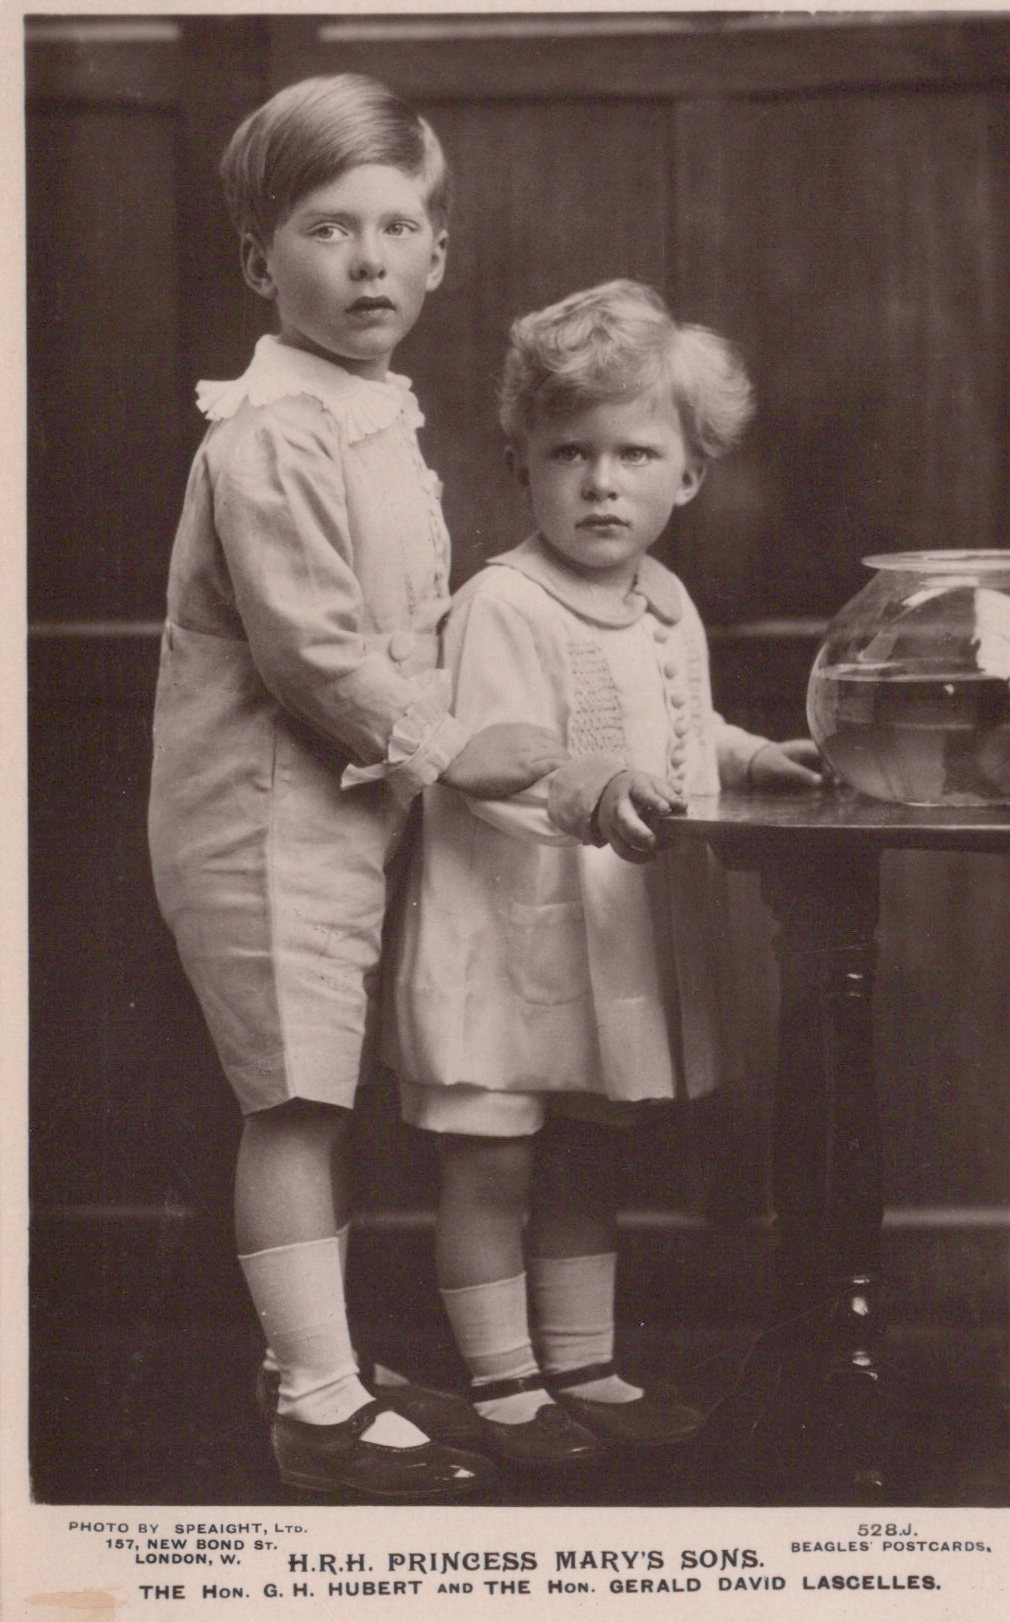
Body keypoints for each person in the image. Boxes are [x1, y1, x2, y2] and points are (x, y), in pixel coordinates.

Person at [147, 74, 565, 1501]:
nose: (370, 259)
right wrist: (450, 744)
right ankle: (318, 1410)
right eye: (329, 229)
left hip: (341, 810)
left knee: (323, 1088)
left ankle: (307, 1363)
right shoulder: (267, 434)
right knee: (295, 1102)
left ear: (438, 254)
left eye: (398, 227)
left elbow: (411, 621)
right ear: (265, 262)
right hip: (259, 818)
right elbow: (312, 647)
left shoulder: (370, 417)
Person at [390, 279, 823, 1472]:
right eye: (568, 452)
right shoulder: (503, 602)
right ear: (517, 460)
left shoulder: (661, 601)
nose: (600, 481)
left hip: (607, 933)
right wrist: (586, 782)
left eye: (634, 453)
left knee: (589, 1144)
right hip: (506, 931)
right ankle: (501, 1382)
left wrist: (748, 754)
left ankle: (579, 1358)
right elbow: (480, 757)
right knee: (492, 1152)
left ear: (685, 474)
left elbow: (677, 723)